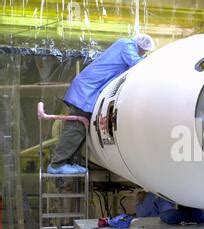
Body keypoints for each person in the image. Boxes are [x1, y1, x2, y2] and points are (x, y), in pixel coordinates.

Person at [47, 33, 155, 174]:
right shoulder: (126, 45)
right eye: (144, 51)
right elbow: (136, 63)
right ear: (140, 46)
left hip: (89, 89)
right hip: (86, 89)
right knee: (75, 128)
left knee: (79, 129)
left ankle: (66, 163)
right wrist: (152, 60)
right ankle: (57, 165)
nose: (143, 53)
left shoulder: (124, 46)